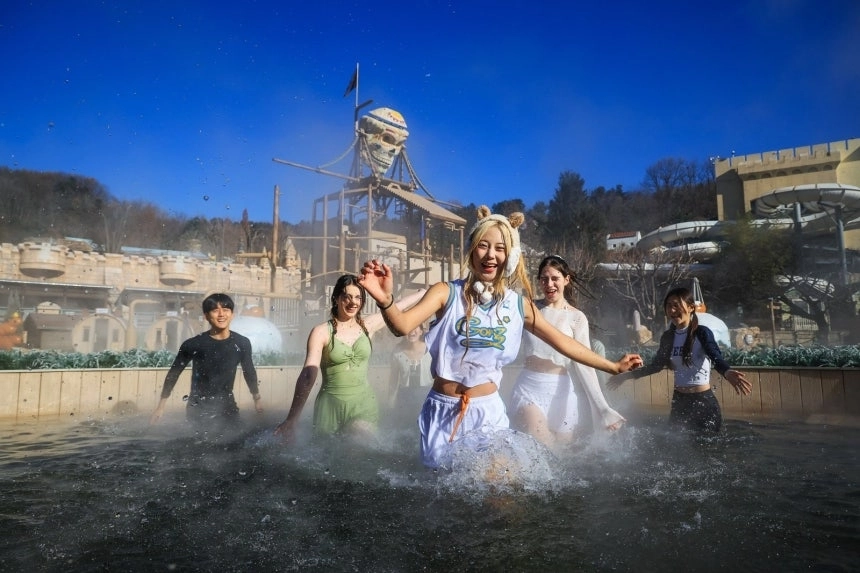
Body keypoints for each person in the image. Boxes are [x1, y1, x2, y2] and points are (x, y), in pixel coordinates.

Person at [358, 205, 643, 469]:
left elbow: (565, 343)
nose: (491, 255)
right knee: (446, 497)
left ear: (510, 256)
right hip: (443, 410)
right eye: (483, 245)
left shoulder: (518, 305)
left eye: (500, 248)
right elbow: (402, 326)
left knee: (498, 485)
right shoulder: (446, 292)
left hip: (487, 412)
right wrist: (385, 300)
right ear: (471, 250)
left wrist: (612, 366)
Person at [273, 274, 422, 444]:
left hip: (362, 404)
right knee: (328, 457)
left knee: (358, 442)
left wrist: (423, 294)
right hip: (330, 407)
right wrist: (292, 419)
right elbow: (308, 375)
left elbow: (398, 307)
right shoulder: (321, 332)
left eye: (358, 297)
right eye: (347, 296)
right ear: (336, 298)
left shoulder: (368, 326)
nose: (353, 302)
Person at [509, 255, 625, 448]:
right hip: (529, 388)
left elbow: (584, 365)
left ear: (566, 279)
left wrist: (603, 408)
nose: (549, 284)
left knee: (562, 458)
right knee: (542, 444)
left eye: (555, 278)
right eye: (544, 279)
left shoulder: (576, 318)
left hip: (562, 392)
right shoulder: (530, 309)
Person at [607, 286, 752, 433]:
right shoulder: (668, 337)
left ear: (690, 308)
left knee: (709, 450)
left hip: (703, 402)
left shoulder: (701, 332)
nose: (672, 310)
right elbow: (656, 366)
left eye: (676, 305)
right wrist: (625, 376)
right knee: (674, 448)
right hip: (680, 402)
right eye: (669, 306)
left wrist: (727, 372)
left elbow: (716, 357)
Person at [150, 293, 263, 425]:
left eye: (226, 310)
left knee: (235, 441)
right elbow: (174, 373)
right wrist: (160, 407)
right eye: (215, 310)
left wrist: (257, 399)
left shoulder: (242, 343)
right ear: (206, 316)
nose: (221, 314)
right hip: (198, 407)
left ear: (232, 314)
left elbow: (249, 371)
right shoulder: (193, 344)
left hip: (227, 406)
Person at [387, 323, 433, 425]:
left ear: (421, 331)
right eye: (408, 328)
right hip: (404, 396)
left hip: (425, 394)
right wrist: (390, 402)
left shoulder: (430, 349)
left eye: (415, 327)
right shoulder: (397, 352)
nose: (411, 331)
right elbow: (393, 380)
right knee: (405, 428)